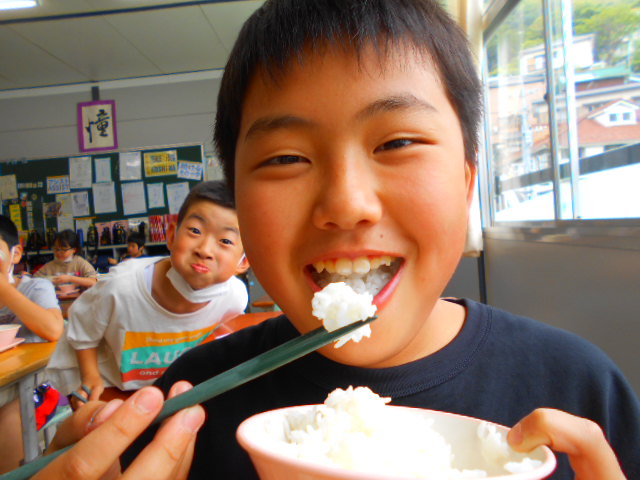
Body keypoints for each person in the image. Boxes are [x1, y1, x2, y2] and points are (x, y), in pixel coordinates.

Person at [26, 1, 638, 479]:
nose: (346, 202)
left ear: (468, 179)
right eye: (287, 157)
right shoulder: (187, 409)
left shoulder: (579, 390)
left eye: (397, 143)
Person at [44, 180, 250, 407]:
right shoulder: (122, 288)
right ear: (171, 235)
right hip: (114, 388)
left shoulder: (234, 297)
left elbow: (220, 337)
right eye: (195, 231)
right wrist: (90, 376)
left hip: (170, 392)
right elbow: (82, 326)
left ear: (244, 260)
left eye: (226, 241)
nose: (205, 250)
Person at [0, 215, 64, 473]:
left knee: (9, 417)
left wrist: (4, 290)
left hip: (38, 389)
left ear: (16, 254)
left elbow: (53, 329)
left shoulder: (36, 287)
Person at [34, 229, 98, 297]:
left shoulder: (80, 263)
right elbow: (33, 281)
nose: (58, 252)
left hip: (78, 301)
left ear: (74, 249)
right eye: (56, 249)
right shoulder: (49, 266)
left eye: (63, 249)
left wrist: (70, 278)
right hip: (57, 302)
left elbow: (93, 282)